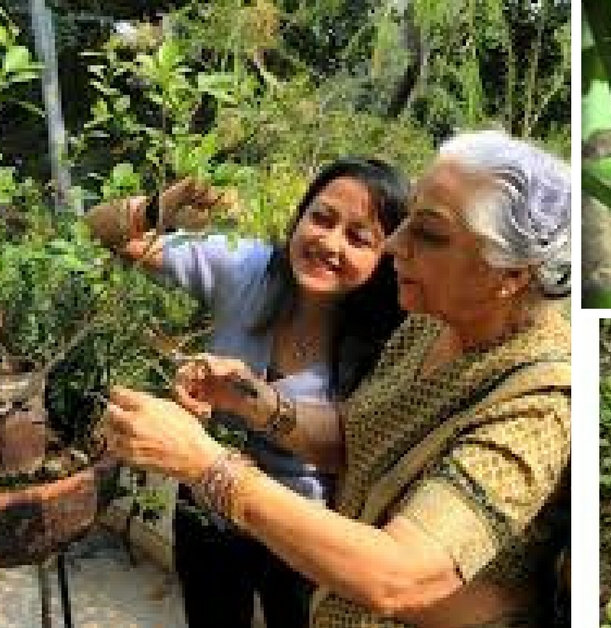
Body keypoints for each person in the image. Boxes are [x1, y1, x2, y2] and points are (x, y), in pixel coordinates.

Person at [99, 129, 572, 627]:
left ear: (513, 273)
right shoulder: (433, 323)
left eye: (428, 233)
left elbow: (402, 576)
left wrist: (204, 464)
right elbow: (357, 435)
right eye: (406, 218)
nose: (394, 243)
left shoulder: (537, 404)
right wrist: (255, 401)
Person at [85, 158, 410, 628]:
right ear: (299, 217)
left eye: (359, 238)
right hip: (208, 511)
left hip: (305, 532)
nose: (328, 242)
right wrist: (160, 206)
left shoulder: (389, 340)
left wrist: (250, 399)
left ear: (387, 259)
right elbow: (101, 234)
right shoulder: (248, 267)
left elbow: (354, 448)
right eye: (321, 218)